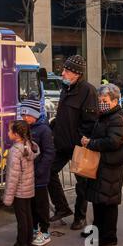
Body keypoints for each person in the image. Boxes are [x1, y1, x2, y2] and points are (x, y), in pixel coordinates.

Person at [48, 55, 99, 230]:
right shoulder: (66, 88)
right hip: (61, 144)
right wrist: (53, 128)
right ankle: (62, 208)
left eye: (66, 71)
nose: (62, 73)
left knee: (82, 185)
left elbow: (91, 122)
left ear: (77, 74)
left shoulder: (88, 91)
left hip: (78, 146)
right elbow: (64, 116)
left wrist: (79, 139)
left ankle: (80, 217)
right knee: (47, 171)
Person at [81, 84, 123, 246]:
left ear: (115, 100)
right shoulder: (105, 116)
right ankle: (97, 231)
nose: (101, 103)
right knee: (99, 201)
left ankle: (108, 237)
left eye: (105, 100)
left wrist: (91, 143)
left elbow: (113, 142)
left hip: (110, 166)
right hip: (101, 165)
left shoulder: (116, 118)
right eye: (100, 100)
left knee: (108, 203)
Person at [20, 100, 55, 246]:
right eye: (22, 114)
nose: (24, 117)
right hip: (28, 175)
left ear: (34, 114)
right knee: (31, 204)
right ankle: (34, 228)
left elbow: (49, 153)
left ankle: (45, 231)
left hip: (39, 176)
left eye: (26, 114)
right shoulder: (26, 128)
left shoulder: (44, 130)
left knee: (41, 204)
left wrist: (40, 171)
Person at [3, 120, 40, 246]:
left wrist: (8, 198)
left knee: (22, 219)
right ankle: (28, 243)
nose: (7, 133)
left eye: (9, 130)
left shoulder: (15, 151)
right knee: (28, 216)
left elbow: (13, 177)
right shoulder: (28, 145)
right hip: (28, 188)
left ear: (16, 134)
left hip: (19, 190)